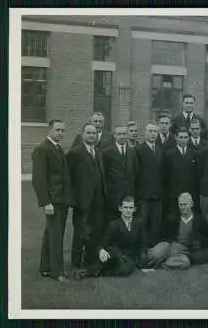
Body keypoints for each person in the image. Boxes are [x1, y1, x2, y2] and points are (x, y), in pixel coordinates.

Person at [31, 119, 72, 282]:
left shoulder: (57, 148)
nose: (60, 133)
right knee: (56, 236)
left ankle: (46, 267)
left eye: (63, 130)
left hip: (61, 198)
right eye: (57, 130)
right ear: (49, 130)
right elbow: (39, 179)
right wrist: (46, 202)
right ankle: (58, 272)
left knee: (51, 234)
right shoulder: (42, 150)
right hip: (53, 200)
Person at [66, 123, 107, 269]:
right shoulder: (75, 152)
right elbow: (68, 177)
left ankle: (90, 259)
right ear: (82, 134)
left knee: (96, 231)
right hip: (82, 200)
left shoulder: (98, 151)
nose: (91, 135)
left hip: (98, 199)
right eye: (88, 133)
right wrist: (73, 198)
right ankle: (76, 262)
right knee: (80, 232)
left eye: (94, 133)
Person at [80, 197, 149, 277]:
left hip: (130, 257)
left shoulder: (139, 223)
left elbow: (142, 245)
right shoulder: (114, 225)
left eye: (130, 208)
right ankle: (86, 272)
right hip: (115, 254)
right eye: (125, 207)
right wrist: (101, 250)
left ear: (134, 209)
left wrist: (142, 264)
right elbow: (103, 243)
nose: (128, 210)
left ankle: (101, 272)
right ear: (120, 208)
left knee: (124, 270)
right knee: (110, 255)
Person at [146, 193, 208, 270]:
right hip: (170, 245)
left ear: (191, 204)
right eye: (181, 205)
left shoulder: (200, 221)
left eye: (185, 204)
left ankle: (162, 264)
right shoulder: (171, 218)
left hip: (184, 250)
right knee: (154, 255)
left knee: (185, 263)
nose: (183, 207)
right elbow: (162, 234)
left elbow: (206, 239)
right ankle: (154, 260)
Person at [134, 123, 163, 247]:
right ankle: (142, 251)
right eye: (150, 131)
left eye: (155, 131)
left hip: (157, 196)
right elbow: (135, 173)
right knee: (142, 224)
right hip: (143, 196)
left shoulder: (160, 151)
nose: (152, 134)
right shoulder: (138, 150)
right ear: (145, 133)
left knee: (155, 226)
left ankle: (154, 253)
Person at [102, 125, 136, 221]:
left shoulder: (132, 152)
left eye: (124, 134)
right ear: (115, 136)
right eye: (119, 134)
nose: (122, 136)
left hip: (129, 194)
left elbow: (135, 173)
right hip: (113, 195)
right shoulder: (107, 153)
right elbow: (105, 174)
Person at [163, 127, 199, 216]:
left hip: (190, 194)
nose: (183, 140)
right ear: (176, 137)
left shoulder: (194, 153)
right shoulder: (169, 154)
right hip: (173, 194)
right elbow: (165, 176)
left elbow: (197, 174)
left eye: (185, 137)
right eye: (181, 137)